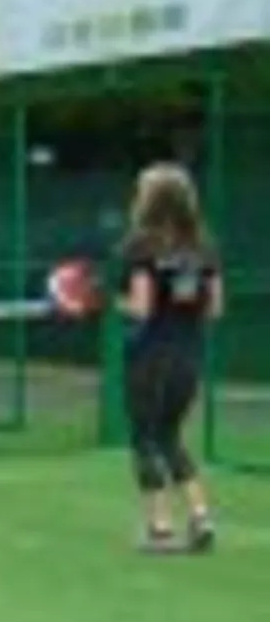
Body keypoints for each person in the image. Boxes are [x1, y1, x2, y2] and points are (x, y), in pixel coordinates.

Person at [117, 161, 223, 554]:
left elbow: (141, 308)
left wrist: (113, 303)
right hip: (189, 353)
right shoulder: (204, 248)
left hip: (149, 353)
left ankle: (160, 527)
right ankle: (200, 517)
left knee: (144, 436)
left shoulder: (140, 247)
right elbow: (214, 308)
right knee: (171, 435)